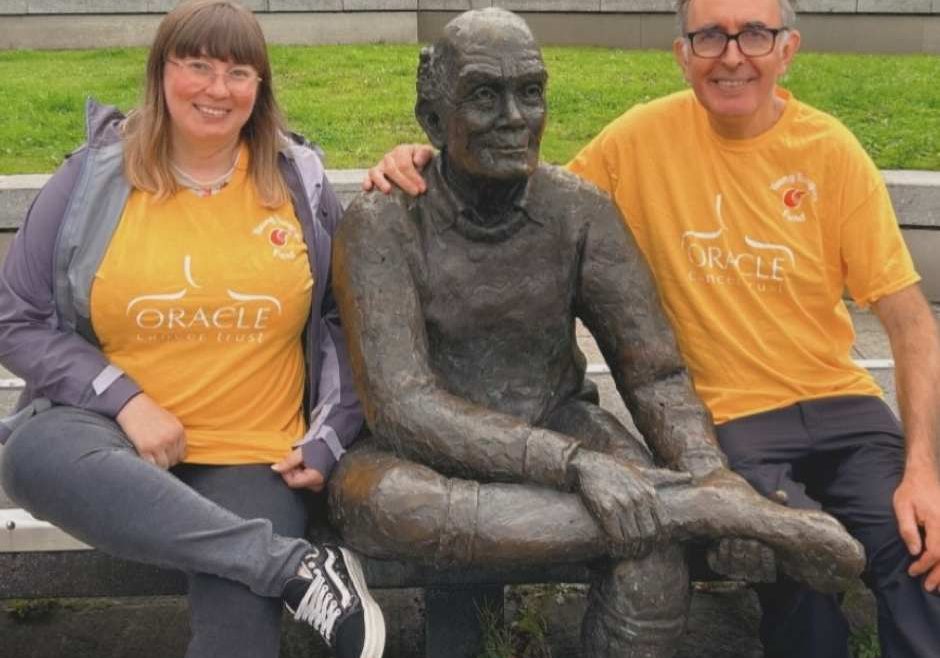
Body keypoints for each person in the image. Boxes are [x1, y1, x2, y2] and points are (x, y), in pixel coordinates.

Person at [363, 1, 940, 657]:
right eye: (484, 98)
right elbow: (406, 397)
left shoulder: (824, 151)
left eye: (530, 93)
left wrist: (918, 472)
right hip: (714, 421)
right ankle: (697, 511)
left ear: (788, 48)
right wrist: (422, 156)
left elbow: (658, 372)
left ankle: (711, 508)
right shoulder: (393, 217)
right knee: (762, 547)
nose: (516, 119)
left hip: (813, 405)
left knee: (904, 542)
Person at [0, 2, 384, 658]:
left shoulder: (298, 181)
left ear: (260, 89)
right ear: (161, 72)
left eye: (238, 72)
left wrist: (328, 437)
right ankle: (294, 568)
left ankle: (270, 566)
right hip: (109, 436)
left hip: (253, 454)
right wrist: (126, 399)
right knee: (28, 455)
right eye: (197, 66)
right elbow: (19, 319)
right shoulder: (95, 177)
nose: (216, 89)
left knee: (238, 628)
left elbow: (342, 321)